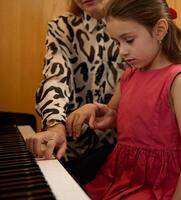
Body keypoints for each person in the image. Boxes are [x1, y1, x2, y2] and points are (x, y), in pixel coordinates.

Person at [66, 0, 181, 199]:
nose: (122, 51)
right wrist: (94, 110)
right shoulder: (129, 75)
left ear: (160, 30)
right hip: (125, 176)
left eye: (129, 40)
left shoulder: (179, 81)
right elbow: (114, 114)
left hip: (164, 184)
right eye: (117, 42)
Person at [26, 0, 124, 185]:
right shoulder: (62, 26)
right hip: (72, 150)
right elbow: (56, 77)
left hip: (121, 149)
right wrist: (55, 124)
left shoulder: (136, 24)